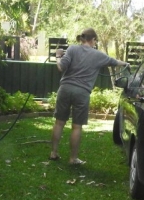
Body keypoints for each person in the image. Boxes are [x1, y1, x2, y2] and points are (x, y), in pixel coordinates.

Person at [50, 28, 129, 165]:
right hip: (82, 93)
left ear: (82, 39)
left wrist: (58, 56)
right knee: (76, 126)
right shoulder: (98, 55)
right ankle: (73, 159)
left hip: (65, 89)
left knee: (59, 122)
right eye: (95, 41)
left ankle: (53, 153)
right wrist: (126, 63)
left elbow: (61, 67)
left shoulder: (72, 49)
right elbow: (114, 62)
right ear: (93, 40)